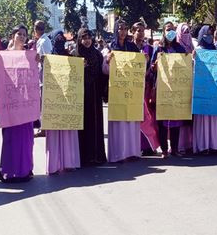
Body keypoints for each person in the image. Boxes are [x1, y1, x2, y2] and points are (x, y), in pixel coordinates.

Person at [0, 25, 35, 182]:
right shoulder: (3, 56)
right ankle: (8, 171)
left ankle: (25, 170)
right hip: (11, 106)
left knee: (26, 140)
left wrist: (38, 60)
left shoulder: (30, 55)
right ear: (12, 36)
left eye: (24, 34)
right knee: (11, 139)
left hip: (26, 105)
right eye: (19, 34)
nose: (22, 37)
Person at [105, 19, 144, 162]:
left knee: (131, 120)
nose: (122, 31)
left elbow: (139, 69)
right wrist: (108, 61)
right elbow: (104, 70)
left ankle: (132, 152)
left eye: (125, 28)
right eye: (120, 28)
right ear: (116, 30)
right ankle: (118, 154)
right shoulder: (110, 47)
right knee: (119, 121)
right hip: (117, 92)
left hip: (131, 90)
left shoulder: (132, 47)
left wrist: (143, 60)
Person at [45, 29, 81, 174]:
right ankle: (53, 166)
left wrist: (79, 66)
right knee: (54, 132)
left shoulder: (69, 57)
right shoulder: (48, 58)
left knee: (68, 131)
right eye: (57, 39)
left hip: (68, 101)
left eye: (62, 39)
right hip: (53, 101)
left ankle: (69, 162)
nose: (60, 41)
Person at [151, 22, 187, 156]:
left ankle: (175, 149)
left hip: (177, 88)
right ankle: (164, 150)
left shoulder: (180, 49)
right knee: (162, 120)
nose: (170, 32)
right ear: (163, 32)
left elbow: (186, 65)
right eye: (167, 30)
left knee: (176, 119)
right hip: (163, 88)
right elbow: (151, 69)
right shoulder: (159, 49)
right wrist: (154, 67)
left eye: (172, 29)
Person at [75, 28, 107, 166]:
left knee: (95, 124)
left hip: (95, 95)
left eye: (89, 37)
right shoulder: (75, 55)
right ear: (79, 39)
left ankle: (96, 156)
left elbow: (102, 74)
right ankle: (84, 157)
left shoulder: (97, 54)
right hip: (81, 96)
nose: (87, 40)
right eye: (84, 37)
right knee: (83, 125)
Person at [192, 25, 217, 154]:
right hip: (202, 90)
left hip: (214, 91)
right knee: (203, 118)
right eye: (206, 34)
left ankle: (214, 145)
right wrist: (193, 58)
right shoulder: (198, 50)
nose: (209, 37)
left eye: (211, 34)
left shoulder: (216, 50)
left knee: (213, 117)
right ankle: (203, 146)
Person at [129, 21, 159, 156]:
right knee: (134, 116)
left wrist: (151, 66)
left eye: (142, 30)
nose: (140, 33)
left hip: (145, 87)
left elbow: (153, 68)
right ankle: (135, 145)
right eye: (138, 30)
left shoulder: (149, 49)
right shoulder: (128, 48)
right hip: (131, 87)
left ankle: (148, 146)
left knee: (147, 117)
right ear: (132, 31)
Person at [176, 23, 194, 155]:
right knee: (180, 118)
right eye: (184, 31)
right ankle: (179, 145)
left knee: (190, 117)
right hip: (178, 87)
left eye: (188, 31)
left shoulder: (192, 47)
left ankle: (190, 144)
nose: (186, 34)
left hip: (191, 87)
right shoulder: (175, 48)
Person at [33, 20, 52, 137]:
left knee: (43, 103)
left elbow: (48, 58)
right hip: (41, 76)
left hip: (45, 76)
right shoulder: (42, 40)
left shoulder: (44, 41)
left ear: (36, 29)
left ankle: (44, 128)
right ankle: (43, 127)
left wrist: (40, 59)